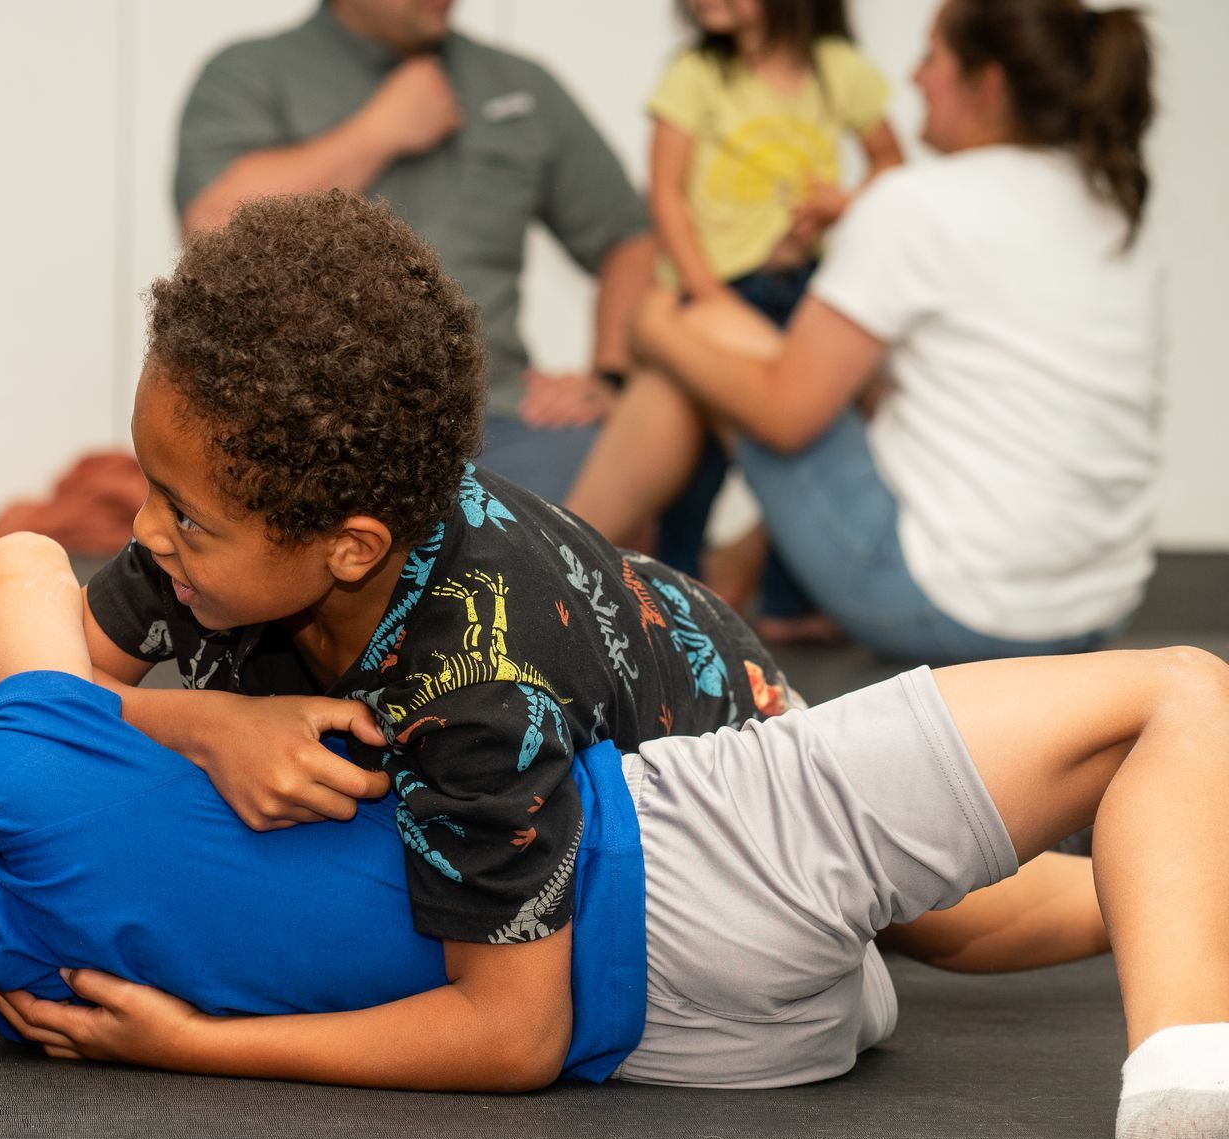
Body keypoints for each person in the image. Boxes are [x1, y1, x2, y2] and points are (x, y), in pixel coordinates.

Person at [0, 533, 1229, 1139]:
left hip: (713, 1046)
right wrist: (184, 723)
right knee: (1171, 696)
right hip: (684, 853)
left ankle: (1198, 928)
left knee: (938, 912)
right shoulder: (36, 776)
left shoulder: (27, 1000)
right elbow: (18, 570)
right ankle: (1179, 1059)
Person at [84, 190, 795, 1063]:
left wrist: (195, 1044)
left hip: (750, 764)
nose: (145, 530)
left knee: (942, 923)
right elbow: (24, 701)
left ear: (350, 548)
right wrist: (203, 722)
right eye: (149, 484)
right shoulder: (203, 548)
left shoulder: (479, 689)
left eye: (182, 512)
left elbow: (515, 1034)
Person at [567, 0, 1159, 664]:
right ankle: (711, 565)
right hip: (1097, 609)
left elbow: (785, 415)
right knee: (837, 376)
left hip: (948, 608)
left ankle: (546, 572)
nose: (912, 79)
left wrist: (650, 326)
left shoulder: (919, 204)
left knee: (698, 332)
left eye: (932, 55)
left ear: (987, 85)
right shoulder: (1106, 203)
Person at [174, 0, 655, 499]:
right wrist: (377, 132)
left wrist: (610, 377)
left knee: (645, 448)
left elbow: (630, 238)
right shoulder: (251, 72)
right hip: (305, 432)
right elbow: (210, 233)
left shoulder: (519, 84)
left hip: (500, 427)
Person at [645, 0, 903, 638]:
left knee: (804, 448)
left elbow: (892, 164)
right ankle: (676, 601)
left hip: (807, 285)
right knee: (697, 455)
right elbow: (666, 193)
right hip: (723, 283)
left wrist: (844, 202)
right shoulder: (696, 72)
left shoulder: (835, 69)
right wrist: (706, 294)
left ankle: (791, 604)